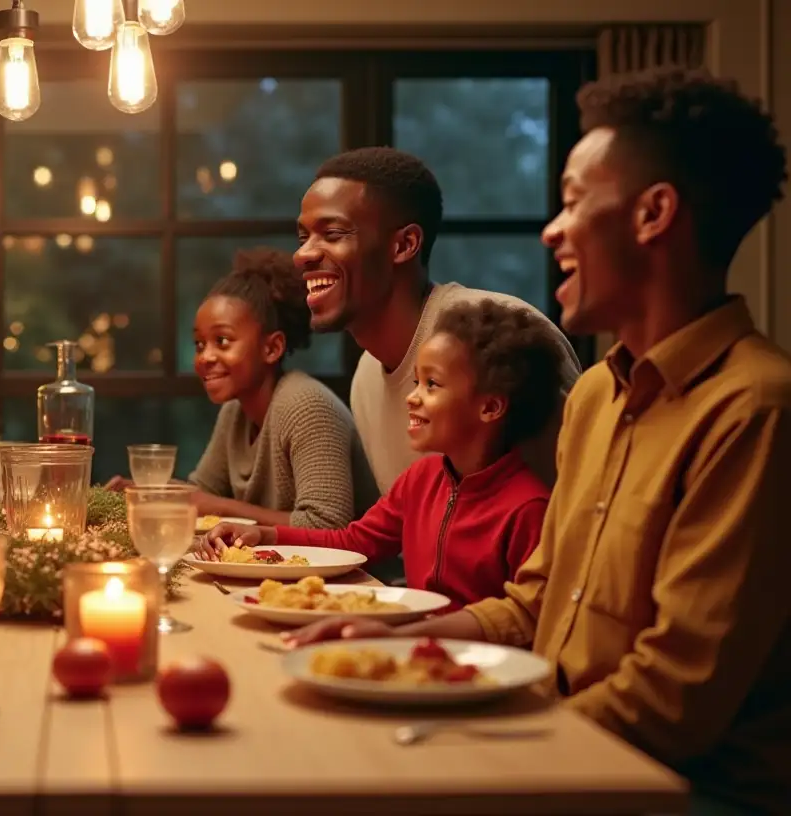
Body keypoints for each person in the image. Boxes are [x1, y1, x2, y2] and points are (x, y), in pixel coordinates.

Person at [285, 69, 791, 813]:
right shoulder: (595, 396)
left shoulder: (753, 409)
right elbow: (532, 604)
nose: (553, 229)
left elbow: (671, 700)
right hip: (567, 746)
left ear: (654, 214)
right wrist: (391, 633)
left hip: (683, 788)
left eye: (577, 202)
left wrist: (483, 742)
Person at [200, 299, 562, 610]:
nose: (412, 396)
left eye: (431, 384)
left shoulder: (527, 509)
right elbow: (353, 542)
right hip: (413, 644)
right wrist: (265, 536)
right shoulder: (421, 479)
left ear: (490, 407)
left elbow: (526, 619)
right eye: (416, 381)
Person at [296, 146, 582, 495]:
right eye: (303, 236)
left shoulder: (497, 334)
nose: (303, 254)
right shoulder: (366, 378)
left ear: (404, 245)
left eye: (333, 234)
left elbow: (578, 499)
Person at [112, 248, 375, 528]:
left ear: (272, 348)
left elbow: (327, 525)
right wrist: (147, 494)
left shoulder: (306, 406)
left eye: (222, 341)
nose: (205, 357)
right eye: (199, 344)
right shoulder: (235, 412)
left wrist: (222, 508)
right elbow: (203, 493)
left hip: (365, 572)